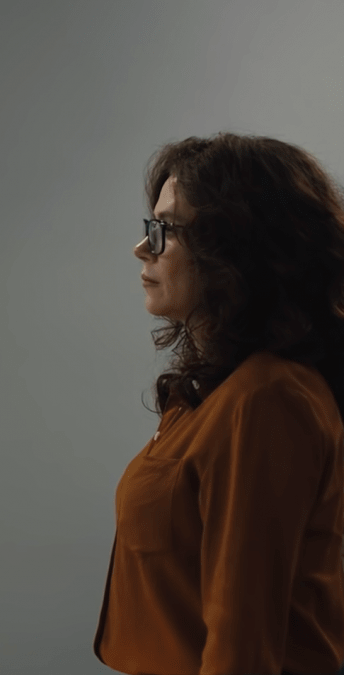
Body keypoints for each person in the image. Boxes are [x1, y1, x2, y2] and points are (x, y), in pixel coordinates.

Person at [93, 132, 344, 675]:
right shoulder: (211, 397)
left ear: (236, 248)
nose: (142, 248)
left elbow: (242, 648)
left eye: (165, 230)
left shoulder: (269, 399)